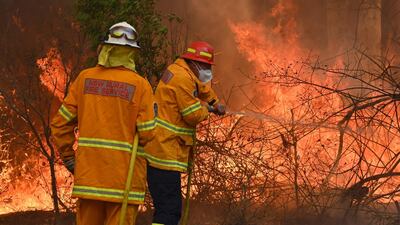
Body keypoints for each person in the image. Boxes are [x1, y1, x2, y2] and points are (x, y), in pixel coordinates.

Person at [51, 21, 155, 225]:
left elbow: (60, 123)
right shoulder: (140, 86)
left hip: (89, 179)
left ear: (106, 48)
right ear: (132, 53)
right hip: (123, 182)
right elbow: (147, 133)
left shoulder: (84, 79)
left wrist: (69, 158)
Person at [145, 41, 226, 225]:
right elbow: (192, 115)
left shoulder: (181, 70)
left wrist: (214, 101)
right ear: (196, 63)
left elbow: (201, 87)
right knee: (169, 212)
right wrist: (209, 109)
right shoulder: (182, 78)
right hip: (164, 154)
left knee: (168, 209)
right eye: (206, 66)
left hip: (163, 150)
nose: (208, 70)